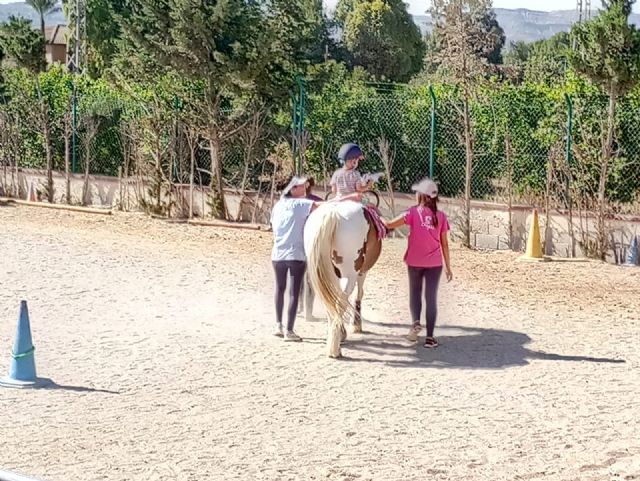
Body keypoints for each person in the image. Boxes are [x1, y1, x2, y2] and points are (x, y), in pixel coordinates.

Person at [270, 175, 361, 342]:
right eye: (299, 186)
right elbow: (327, 204)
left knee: (280, 288)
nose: (304, 188)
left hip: (277, 254)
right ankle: (289, 331)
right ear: (292, 189)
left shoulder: (278, 206)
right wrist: (350, 197)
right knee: (293, 292)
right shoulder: (300, 204)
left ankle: (278, 325)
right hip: (296, 254)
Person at [382, 177, 453, 348]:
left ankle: (415, 323)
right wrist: (449, 267)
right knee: (431, 298)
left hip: (414, 260)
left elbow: (390, 224)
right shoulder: (441, 216)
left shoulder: (412, 213)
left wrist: (379, 218)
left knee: (415, 292)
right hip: (435, 264)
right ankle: (430, 338)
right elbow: (444, 243)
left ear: (421, 195)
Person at [330, 143, 387, 239]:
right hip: (355, 199)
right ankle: (384, 227)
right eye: (356, 160)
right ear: (353, 161)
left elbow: (333, 190)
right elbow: (359, 189)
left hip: (339, 198)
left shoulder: (336, 173)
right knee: (373, 207)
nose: (357, 162)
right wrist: (368, 185)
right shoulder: (355, 174)